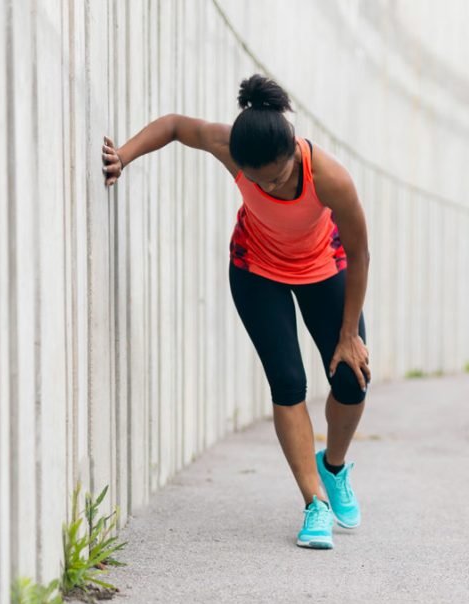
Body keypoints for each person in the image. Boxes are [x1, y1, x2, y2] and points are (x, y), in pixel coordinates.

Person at [101, 74, 371, 550]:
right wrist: (124, 154)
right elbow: (174, 126)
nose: (271, 184)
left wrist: (349, 333)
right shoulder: (229, 145)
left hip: (323, 268)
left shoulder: (330, 177)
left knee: (351, 381)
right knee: (288, 383)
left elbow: (361, 252)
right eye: (260, 179)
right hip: (256, 270)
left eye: (280, 176)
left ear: (294, 154)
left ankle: (333, 467)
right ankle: (314, 506)